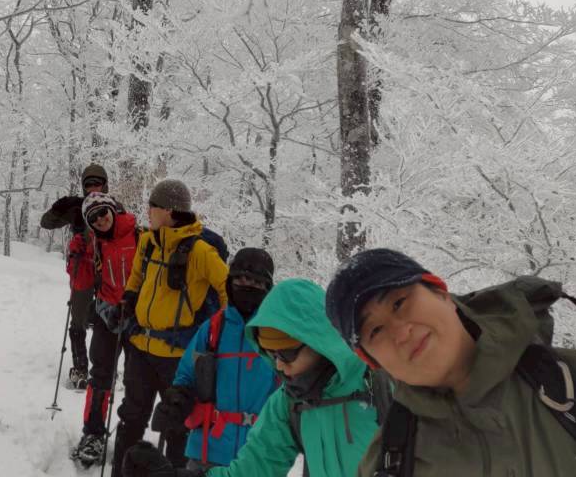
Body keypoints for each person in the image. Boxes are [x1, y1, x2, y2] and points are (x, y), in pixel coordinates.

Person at [324, 248, 576, 477]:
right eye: (375, 331)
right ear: (370, 360)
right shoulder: (390, 459)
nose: (400, 331)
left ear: (440, 292)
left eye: (399, 302)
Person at [122, 278, 381, 477]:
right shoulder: (289, 403)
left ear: (319, 341)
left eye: (286, 354)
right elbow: (252, 471)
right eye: (270, 354)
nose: (279, 365)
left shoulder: (380, 386)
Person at [109, 178, 230, 477]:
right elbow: (137, 277)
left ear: (169, 211)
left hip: (177, 358)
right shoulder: (148, 242)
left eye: (152, 205)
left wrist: (223, 330)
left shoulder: (200, 251)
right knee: (131, 419)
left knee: (177, 427)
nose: (147, 210)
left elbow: (227, 288)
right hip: (140, 349)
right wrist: (126, 301)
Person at [151, 248, 280, 469]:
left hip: (258, 457)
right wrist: (177, 402)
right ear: (230, 283)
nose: (247, 286)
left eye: (257, 283)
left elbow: (291, 390)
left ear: (268, 289)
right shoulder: (213, 329)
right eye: (241, 279)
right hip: (207, 451)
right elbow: (187, 375)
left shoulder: (277, 334)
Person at [71, 192, 143, 467]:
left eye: (103, 212)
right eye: (94, 218)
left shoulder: (141, 236)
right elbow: (81, 283)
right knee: (100, 376)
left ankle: (130, 437)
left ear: (113, 210)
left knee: (137, 380)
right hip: (107, 316)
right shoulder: (93, 244)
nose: (101, 220)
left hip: (138, 318)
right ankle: (93, 433)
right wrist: (76, 257)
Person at [41, 163, 110, 390]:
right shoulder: (76, 208)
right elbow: (46, 223)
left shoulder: (114, 207)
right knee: (78, 319)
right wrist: (57, 209)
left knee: (107, 320)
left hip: (107, 271)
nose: (93, 188)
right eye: (89, 184)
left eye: (97, 183)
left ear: (105, 185)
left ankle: (104, 369)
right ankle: (80, 368)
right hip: (82, 269)